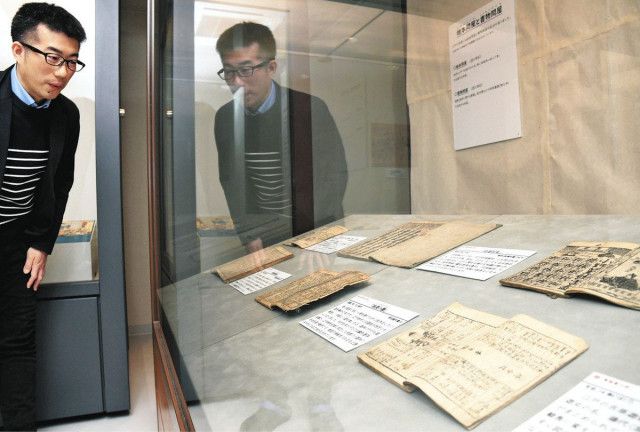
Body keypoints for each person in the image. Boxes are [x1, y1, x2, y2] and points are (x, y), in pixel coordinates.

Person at [0, 3, 85, 430]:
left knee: (17, 343)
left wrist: (40, 242)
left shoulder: (66, 114)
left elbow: (59, 184)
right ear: (19, 49)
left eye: (71, 61)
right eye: (53, 57)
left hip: (17, 242)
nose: (63, 72)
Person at [214, 22, 348, 254]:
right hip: (267, 232)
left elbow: (333, 176)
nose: (237, 82)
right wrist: (250, 235)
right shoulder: (226, 118)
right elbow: (233, 183)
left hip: (317, 228)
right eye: (229, 72)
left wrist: (316, 236)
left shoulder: (309, 108)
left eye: (246, 70)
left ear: (271, 67)